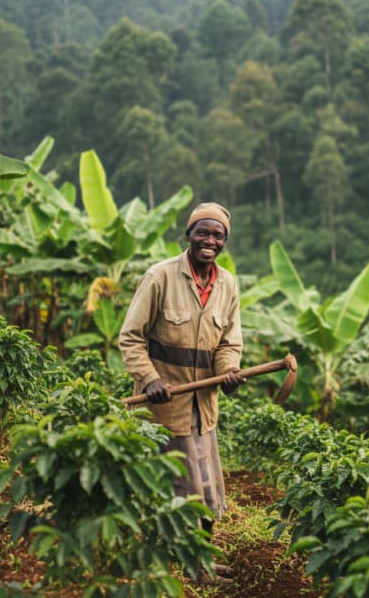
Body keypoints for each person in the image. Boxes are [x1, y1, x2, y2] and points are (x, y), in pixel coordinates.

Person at [118, 201, 245, 583]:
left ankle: (200, 560)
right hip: (163, 408)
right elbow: (131, 337)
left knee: (206, 488)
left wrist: (227, 371)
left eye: (217, 235)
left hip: (203, 407)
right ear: (188, 235)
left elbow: (229, 342)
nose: (210, 241)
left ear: (224, 241)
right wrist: (150, 378)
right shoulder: (160, 277)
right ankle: (181, 567)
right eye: (203, 232)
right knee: (176, 490)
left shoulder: (228, 285)